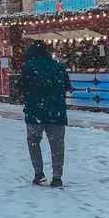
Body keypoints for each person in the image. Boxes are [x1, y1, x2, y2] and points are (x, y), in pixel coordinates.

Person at [20, 40, 70, 188]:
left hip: (34, 112)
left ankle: (39, 173)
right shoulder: (59, 66)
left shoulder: (28, 67)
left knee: (34, 141)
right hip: (57, 112)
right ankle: (57, 177)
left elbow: (20, 87)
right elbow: (67, 86)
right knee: (57, 145)